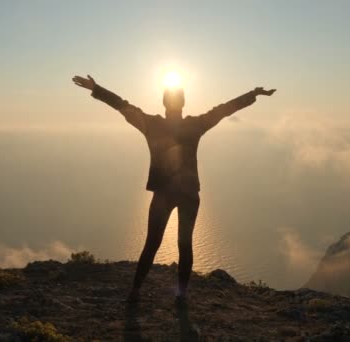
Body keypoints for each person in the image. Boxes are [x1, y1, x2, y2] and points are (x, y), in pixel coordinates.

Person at [73, 74, 275, 303]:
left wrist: (96, 88)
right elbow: (224, 109)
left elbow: (122, 105)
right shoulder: (194, 125)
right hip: (189, 194)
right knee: (185, 245)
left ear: (164, 103)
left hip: (163, 195)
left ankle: (135, 293)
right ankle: (180, 295)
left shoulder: (151, 124)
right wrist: (253, 94)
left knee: (152, 244)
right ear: (183, 103)